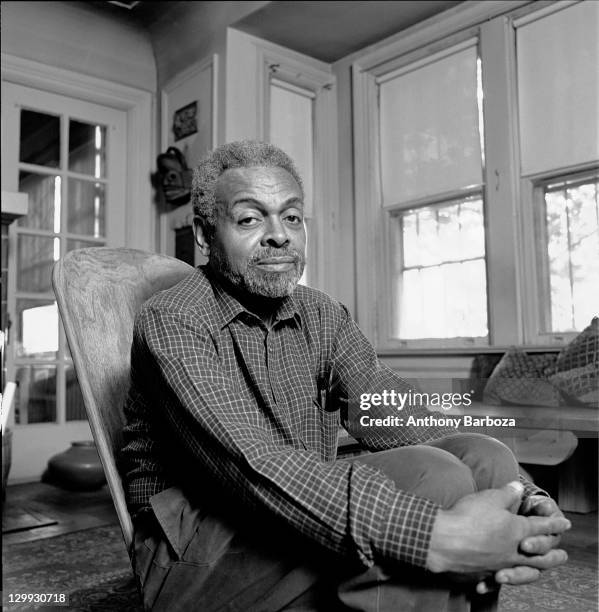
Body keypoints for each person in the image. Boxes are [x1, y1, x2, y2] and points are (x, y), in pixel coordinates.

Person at [121, 140, 570, 611]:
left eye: (292, 217)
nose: (280, 236)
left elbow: (394, 411)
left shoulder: (322, 314)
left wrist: (526, 493)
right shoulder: (173, 317)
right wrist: (433, 534)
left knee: (485, 458)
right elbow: (248, 464)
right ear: (204, 234)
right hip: (194, 551)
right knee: (432, 477)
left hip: (292, 514)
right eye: (251, 219)